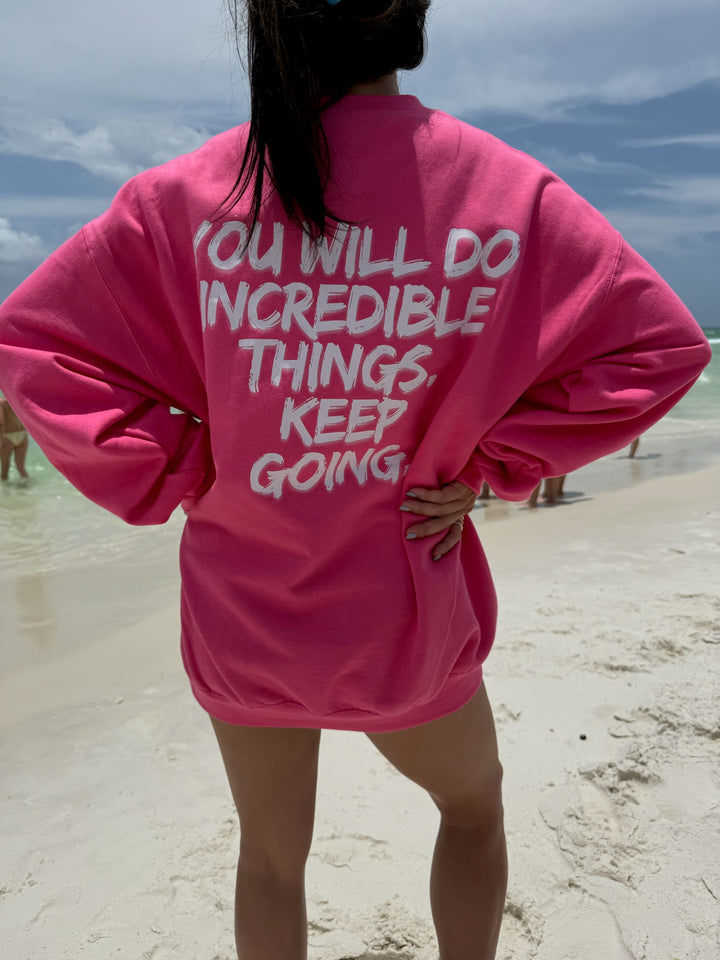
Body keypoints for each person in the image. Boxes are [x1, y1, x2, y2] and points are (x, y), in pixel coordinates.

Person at [0, 2, 711, 957]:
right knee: (472, 810)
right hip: (401, 613)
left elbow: (38, 347)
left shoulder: (188, 195)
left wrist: (180, 466)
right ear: (408, 26)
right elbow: (657, 349)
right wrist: (497, 464)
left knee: (268, 861)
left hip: (242, 611)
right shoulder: (506, 192)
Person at [0, 391, 30, 481]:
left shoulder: (1, 403)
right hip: (23, 435)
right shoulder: (19, 402)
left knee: (5, 467)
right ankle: (27, 488)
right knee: (21, 467)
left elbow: (1, 423)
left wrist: (0, 439)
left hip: (8, 436)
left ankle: (5, 493)